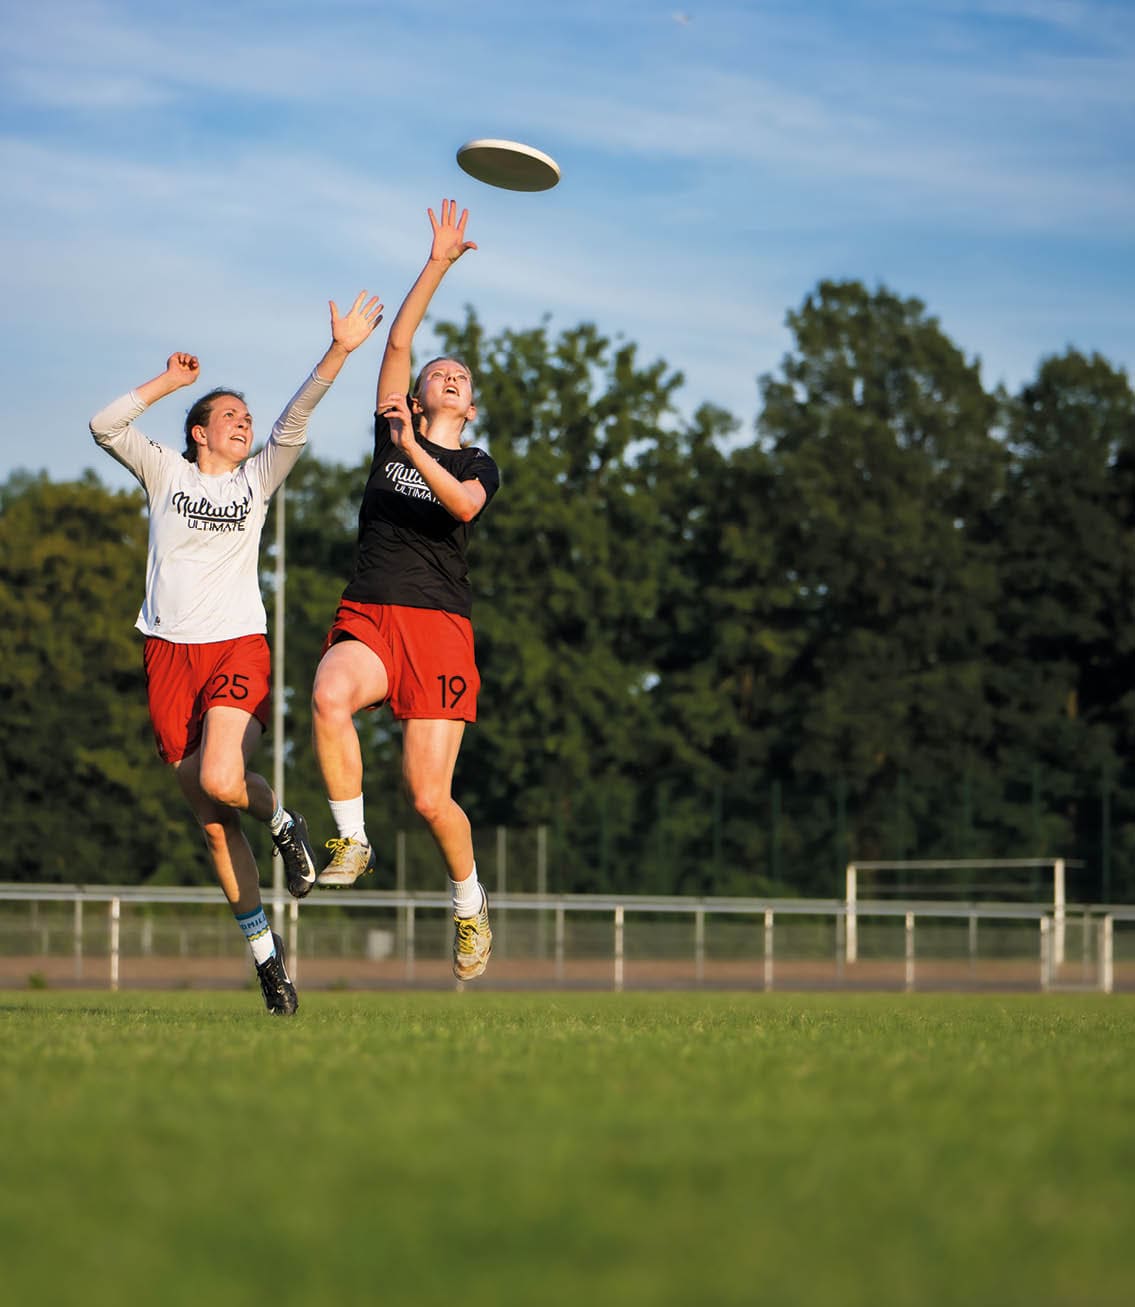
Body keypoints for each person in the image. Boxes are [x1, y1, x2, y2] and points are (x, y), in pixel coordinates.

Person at [89, 290, 383, 1014]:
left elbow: (295, 417)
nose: (242, 422)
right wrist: (168, 383)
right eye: (227, 415)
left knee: (225, 776)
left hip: (235, 647)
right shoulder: (166, 472)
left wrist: (341, 349)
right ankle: (268, 963)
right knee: (214, 823)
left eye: (243, 418)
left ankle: (286, 823)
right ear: (196, 433)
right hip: (166, 654)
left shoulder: (256, 478)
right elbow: (104, 425)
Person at [311, 200, 500, 982]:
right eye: (438, 374)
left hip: (439, 628)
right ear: (417, 396)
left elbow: (460, 506)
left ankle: (468, 903)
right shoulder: (395, 416)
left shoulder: (475, 462)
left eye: (461, 377)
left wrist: (412, 450)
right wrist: (439, 262)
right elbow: (397, 339)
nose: (449, 375)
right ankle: (350, 837)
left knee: (429, 797)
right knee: (327, 695)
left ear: (468, 404)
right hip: (372, 611)